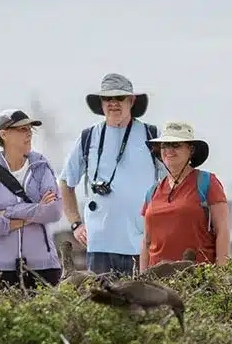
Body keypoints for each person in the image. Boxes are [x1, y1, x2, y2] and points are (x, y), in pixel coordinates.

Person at [57, 73, 163, 276]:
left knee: (138, 304)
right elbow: (65, 182)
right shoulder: (88, 137)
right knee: (100, 305)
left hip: (141, 243)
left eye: (120, 98)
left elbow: (171, 182)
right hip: (99, 244)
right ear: (101, 103)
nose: (113, 103)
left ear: (131, 101)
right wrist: (76, 223)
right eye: (107, 98)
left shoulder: (152, 135)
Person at [0, 109, 64, 289]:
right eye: (22, 129)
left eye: (30, 129)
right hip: (1, 267)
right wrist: (36, 209)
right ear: (4, 134)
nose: (29, 133)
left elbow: (53, 212)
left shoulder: (41, 168)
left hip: (45, 265)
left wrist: (8, 212)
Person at [140, 121, 230, 268]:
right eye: (165, 145)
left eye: (176, 145)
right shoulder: (153, 191)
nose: (169, 150)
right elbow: (146, 241)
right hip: (156, 280)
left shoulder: (207, 182)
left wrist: (221, 274)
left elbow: (222, 231)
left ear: (191, 149)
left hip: (197, 277)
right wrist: (142, 278)